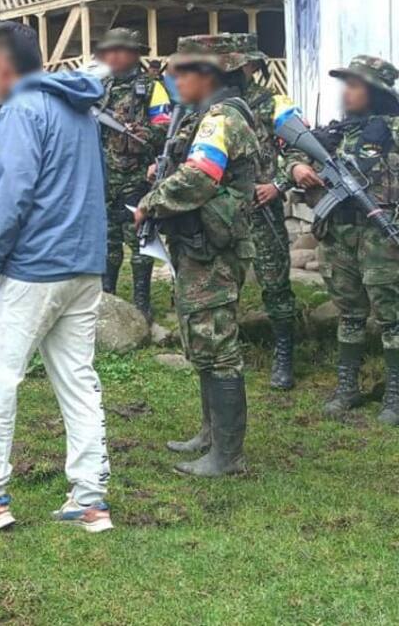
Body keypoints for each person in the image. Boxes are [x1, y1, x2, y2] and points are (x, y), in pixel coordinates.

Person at [0, 21, 112, 533]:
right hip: (84, 265)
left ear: (0, 66)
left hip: (34, 268)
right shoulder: (79, 107)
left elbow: (11, 194)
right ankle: (89, 498)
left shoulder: (21, 109)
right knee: (78, 379)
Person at [135, 35, 258, 477]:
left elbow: (199, 177)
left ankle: (227, 456)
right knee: (204, 341)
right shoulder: (206, 116)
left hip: (215, 251)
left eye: (182, 71)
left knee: (218, 345)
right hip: (201, 246)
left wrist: (151, 201)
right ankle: (210, 435)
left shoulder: (221, 118)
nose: (173, 78)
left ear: (207, 75)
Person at [287, 55, 399, 424]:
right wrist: (297, 167)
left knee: (391, 315)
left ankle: (394, 395)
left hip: (382, 235)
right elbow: (290, 151)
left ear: (376, 92)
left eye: (356, 86)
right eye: (346, 85)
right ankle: (347, 386)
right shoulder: (335, 132)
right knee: (349, 311)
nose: (347, 93)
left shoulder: (394, 130)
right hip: (338, 233)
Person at [93, 27, 170, 323]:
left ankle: (141, 303)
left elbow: (167, 129)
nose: (111, 56)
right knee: (108, 240)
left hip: (139, 176)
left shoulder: (152, 87)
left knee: (139, 240)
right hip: (105, 175)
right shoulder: (101, 85)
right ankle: (107, 296)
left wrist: (145, 133)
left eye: (118, 50)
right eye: (108, 50)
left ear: (134, 53)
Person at [237, 35, 300, 390]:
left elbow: (300, 149)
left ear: (252, 65)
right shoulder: (210, 102)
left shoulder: (275, 102)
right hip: (223, 209)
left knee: (275, 283)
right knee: (221, 282)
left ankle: (284, 353)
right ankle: (224, 349)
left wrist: (277, 184)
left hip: (262, 209)